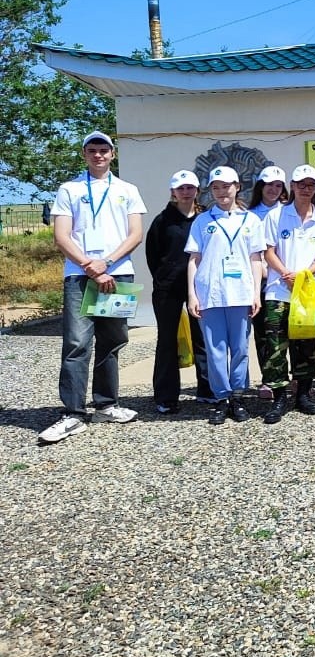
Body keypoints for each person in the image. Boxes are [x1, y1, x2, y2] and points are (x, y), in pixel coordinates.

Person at [40, 131, 147, 444]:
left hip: (118, 274)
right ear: (84, 154)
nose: (98, 155)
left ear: (112, 154)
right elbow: (62, 236)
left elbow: (135, 234)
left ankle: (106, 404)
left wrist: (107, 263)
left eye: (104, 150)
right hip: (79, 275)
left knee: (113, 340)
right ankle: (73, 412)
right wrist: (91, 266)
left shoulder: (127, 190)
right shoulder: (69, 189)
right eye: (92, 150)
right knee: (77, 343)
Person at [185, 166, 265, 425]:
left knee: (240, 348)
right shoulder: (202, 221)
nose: (222, 192)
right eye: (216, 187)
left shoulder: (251, 221)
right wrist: (192, 294)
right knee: (215, 349)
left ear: (237, 186)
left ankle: (239, 396)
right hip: (211, 293)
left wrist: (256, 293)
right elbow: (194, 260)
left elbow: (255, 259)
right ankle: (221, 398)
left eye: (226, 186)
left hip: (240, 294)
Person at [261, 164, 315, 424]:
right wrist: (286, 274)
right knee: (275, 346)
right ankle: (279, 396)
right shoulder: (276, 215)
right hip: (278, 291)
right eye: (301, 184)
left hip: (306, 293)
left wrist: (303, 275)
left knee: (306, 345)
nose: (306, 189)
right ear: (292, 186)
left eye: (311, 185)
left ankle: (303, 394)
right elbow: (268, 251)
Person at [146, 169, 209, 413]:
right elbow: (153, 254)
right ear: (173, 192)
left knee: (202, 338)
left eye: (190, 188)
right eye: (180, 188)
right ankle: (166, 396)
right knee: (167, 340)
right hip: (168, 289)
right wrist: (164, 277)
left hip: (200, 287)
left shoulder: (204, 219)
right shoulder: (162, 221)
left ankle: (207, 390)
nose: (185, 192)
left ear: (197, 190)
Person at [248, 166, 289, 398]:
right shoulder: (249, 214)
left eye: (278, 185)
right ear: (260, 186)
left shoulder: (288, 211)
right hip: (260, 280)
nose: (273, 189)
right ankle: (268, 377)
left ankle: (291, 377)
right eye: (269, 184)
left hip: (285, 278)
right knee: (264, 332)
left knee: (290, 329)